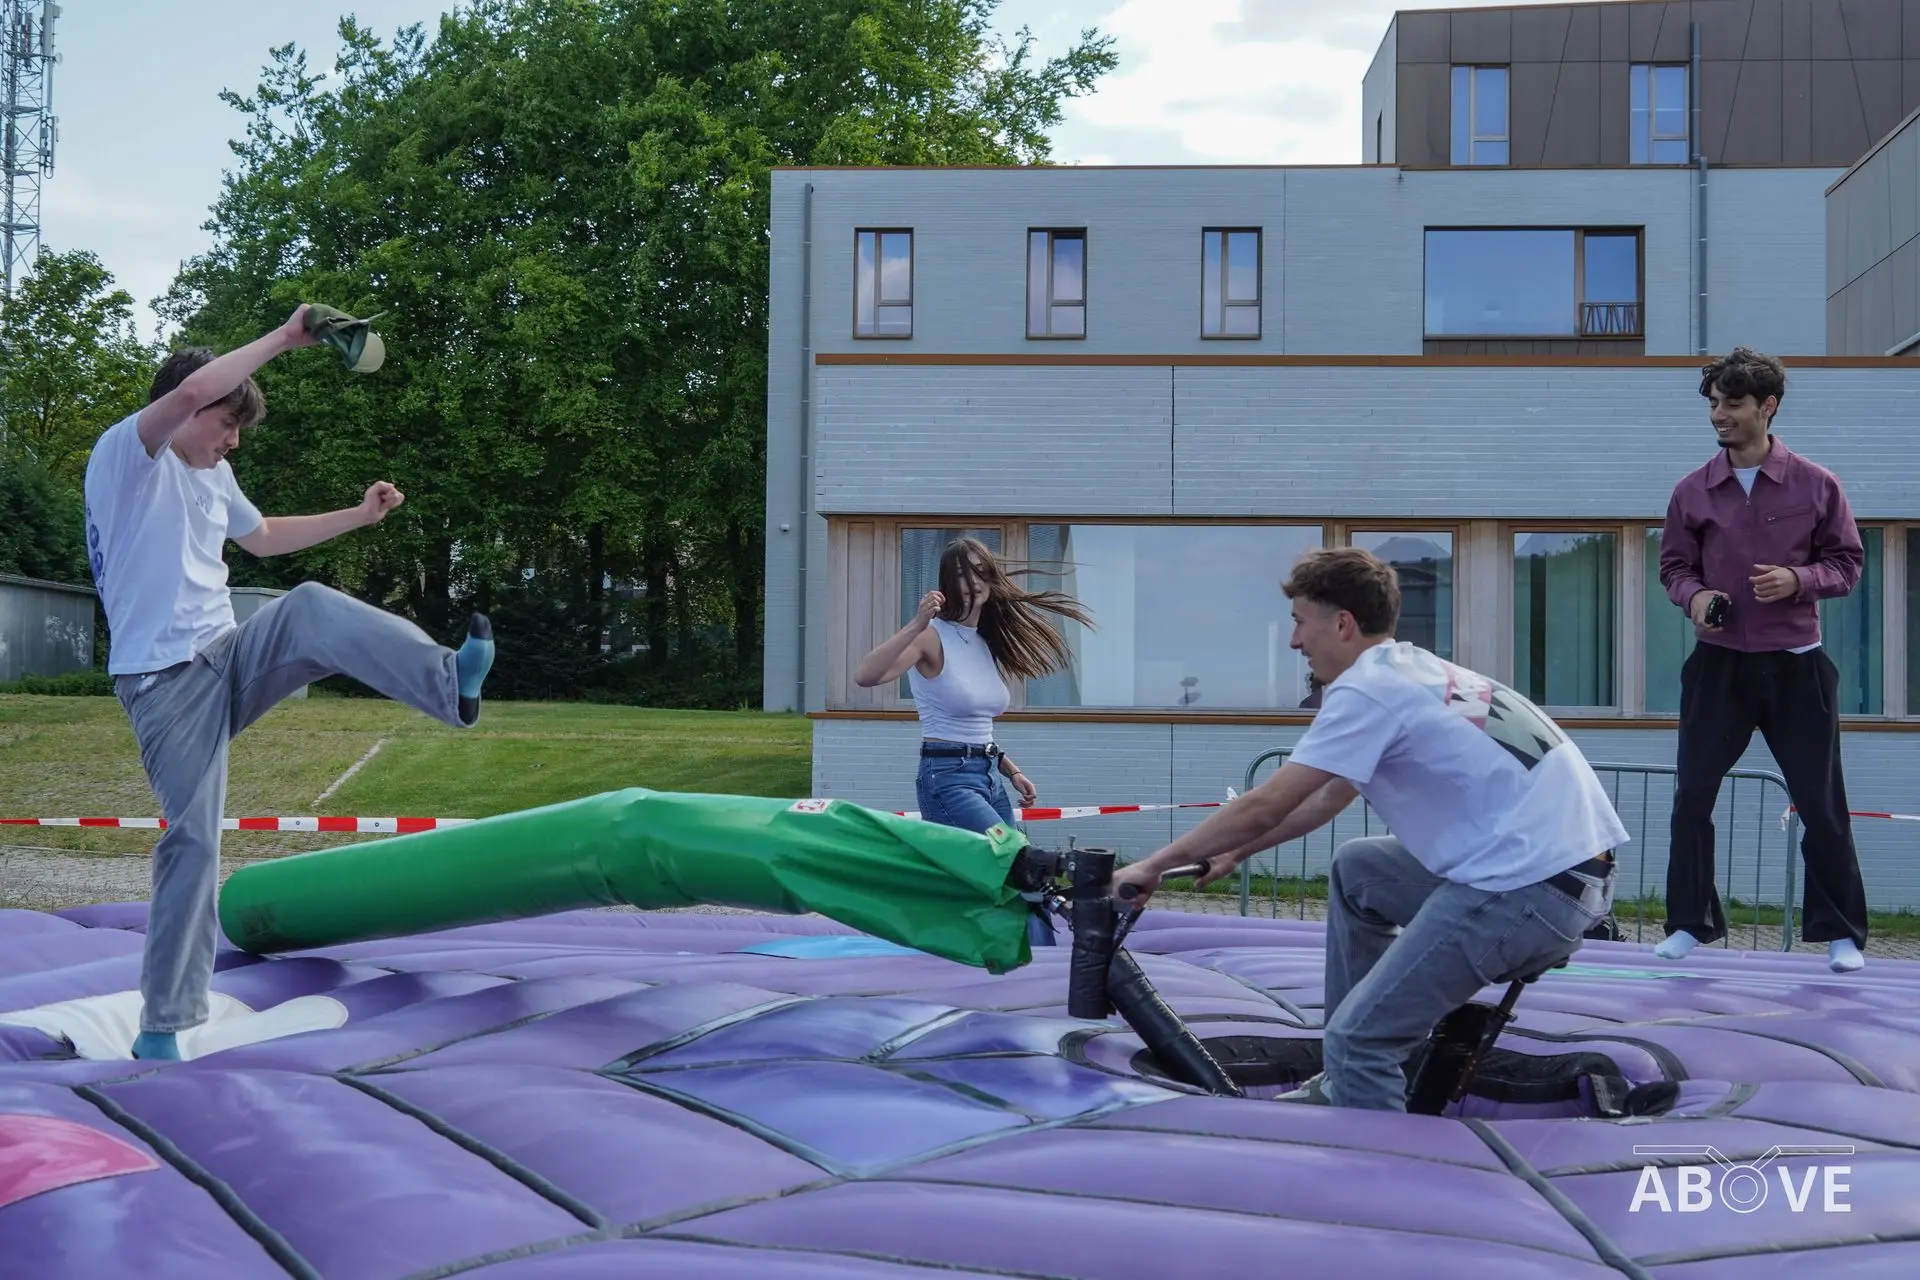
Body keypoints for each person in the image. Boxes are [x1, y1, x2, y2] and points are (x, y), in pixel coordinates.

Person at [83, 306, 498, 1061]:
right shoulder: (129, 455)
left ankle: (449, 682)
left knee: (308, 607)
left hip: (230, 654)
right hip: (164, 686)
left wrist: (359, 517)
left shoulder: (216, 475)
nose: (234, 440)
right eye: (227, 424)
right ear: (187, 408)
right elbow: (193, 390)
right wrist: (286, 337)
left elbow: (265, 537)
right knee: (193, 838)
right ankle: (162, 1028)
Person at [1111, 548, 1628, 1112]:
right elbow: (1328, 797)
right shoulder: (1418, 672)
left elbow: (1267, 803)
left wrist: (1152, 866)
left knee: (1358, 1039)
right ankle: (1348, 1081)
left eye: (1299, 623)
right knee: (1360, 869)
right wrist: (1236, 852)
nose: (1295, 642)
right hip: (1575, 881)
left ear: (1342, 624)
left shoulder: (1367, 689)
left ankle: (1370, 1124)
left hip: (1525, 890)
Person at [1657, 348, 1869, 973]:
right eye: (1713, 404)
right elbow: (1673, 568)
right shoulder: (1692, 491)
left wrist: (1799, 580)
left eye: (1732, 403)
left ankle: (1841, 934)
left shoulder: (1817, 484)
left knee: (1820, 801)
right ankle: (1688, 924)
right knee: (1692, 796)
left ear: (1767, 406)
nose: (1718, 414)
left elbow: (1847, 564)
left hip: (1797, 666)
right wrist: (1695, 598)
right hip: (1718, 667)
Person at [853, 537, 1092, 943]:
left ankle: (1017, 956)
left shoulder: (982, 642)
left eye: (981, 571)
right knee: (1019, 865)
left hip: (988, 777)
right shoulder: (931, 637)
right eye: (963, 573)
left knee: (1007, 876)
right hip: (948, 780)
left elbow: (976, 726)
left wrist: (1011, 770)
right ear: (948, 581)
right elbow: (866, 676)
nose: (974, 581)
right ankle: (1035, 962)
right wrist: (916, 624)